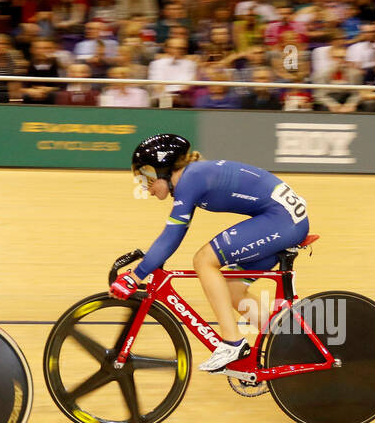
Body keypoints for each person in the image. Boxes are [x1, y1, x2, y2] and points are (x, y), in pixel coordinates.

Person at [111, 134, 311, 373]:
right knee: (232, 290)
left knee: (204, 260)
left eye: (147, 177)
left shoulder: (190, 179)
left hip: (282, 222)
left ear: (163, 169)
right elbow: (171, 236)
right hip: (284, 220)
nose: (147, 188)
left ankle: (232, 343)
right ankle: (288, 347)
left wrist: (136, 275)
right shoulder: (192, 178)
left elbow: (172, 236)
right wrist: (145, 265)